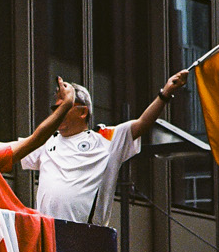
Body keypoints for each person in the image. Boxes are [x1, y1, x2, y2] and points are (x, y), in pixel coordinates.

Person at [31, 70, 189, 225]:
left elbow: (141, 124)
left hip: (86, 232)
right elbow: (16, 152)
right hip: (45, 232)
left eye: (64, 108)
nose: (57, 114)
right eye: (55, 109)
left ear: (83, 112)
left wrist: (165, 93)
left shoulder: (104, 138)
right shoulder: (45, 142)